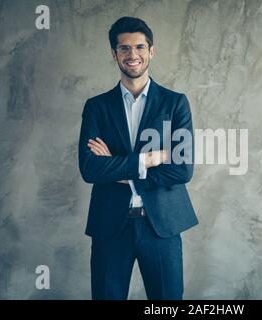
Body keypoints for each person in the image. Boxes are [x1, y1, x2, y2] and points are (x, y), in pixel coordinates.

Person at [78, 16, 198, 300]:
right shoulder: (97, 107)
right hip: (110, 226)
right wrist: (147, 160)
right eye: (124, 48)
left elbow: (182, 170)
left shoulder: (175, 103)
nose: (133, 55)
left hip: (161, 226)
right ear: (114, 53)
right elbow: (90, 169)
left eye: (140, 47)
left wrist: (115, 167)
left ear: (151, 51)